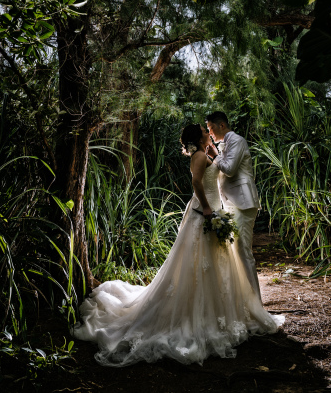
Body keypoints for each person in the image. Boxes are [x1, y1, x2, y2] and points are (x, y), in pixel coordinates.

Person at [72, 123, 283, 367]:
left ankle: (217, 313)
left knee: (216, 264)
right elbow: (196, 182)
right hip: (204, 214)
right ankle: (197, 316)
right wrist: (206, 208)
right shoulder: (199, 156)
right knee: (197, 266)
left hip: (215, 212)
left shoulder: (205, 153)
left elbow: (213, 171)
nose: (209, 133)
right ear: (199, 138)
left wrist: (213, 156)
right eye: (205, 133)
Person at [205, 111, 263, 303]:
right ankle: (241, 300)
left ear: (222, 125)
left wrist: (215, 155)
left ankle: (255, 303)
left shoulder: (236, 140)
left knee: (243, 252)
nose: (210, 133)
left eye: (211, 128)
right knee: (233, 252)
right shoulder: (225, 143)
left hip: (243, 203)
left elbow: (229, 169)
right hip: (231, 203)